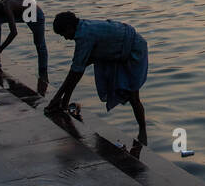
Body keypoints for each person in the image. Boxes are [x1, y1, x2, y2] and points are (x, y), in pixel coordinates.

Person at [48, 12, 149, 144]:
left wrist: (57, 98)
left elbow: (75, 72)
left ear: (69, 28)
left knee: (133, 96)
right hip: (117, 49)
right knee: (78, 67)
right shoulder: (82, 28)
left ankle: (143, 131)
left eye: (64, 35)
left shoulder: (85, 35)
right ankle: (64, 103)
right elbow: (77, 69)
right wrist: (63, 100)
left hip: (134, 50)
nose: (66, 38)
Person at [0, 0, 50, 92]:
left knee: (39, 44)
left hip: (34, 13)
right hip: (20, 13)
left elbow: (14, 33)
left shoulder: (7, 7)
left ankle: (43, 71)